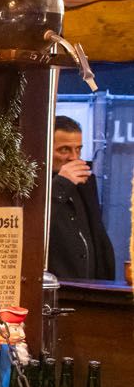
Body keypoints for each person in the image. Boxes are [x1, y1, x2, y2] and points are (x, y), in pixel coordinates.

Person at [47, 114, 114, 280]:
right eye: (64, 149)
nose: (74, 157)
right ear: (46, 148)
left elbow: (96, 235)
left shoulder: (85, 183)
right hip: (54, 289)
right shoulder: (31, 183)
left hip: (87, 288)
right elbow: (34, 223)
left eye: (78, 149)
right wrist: (62, 183)